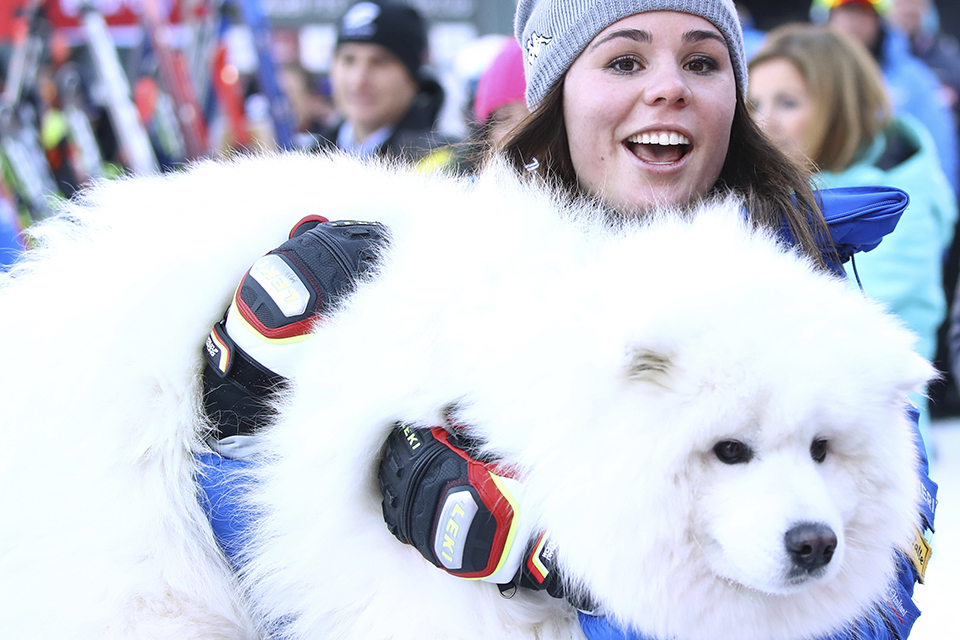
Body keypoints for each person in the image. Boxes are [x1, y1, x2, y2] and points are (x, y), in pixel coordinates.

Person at [196, 0, 937, 638]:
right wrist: (260, 428)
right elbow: (233, 570)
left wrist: (565, 553)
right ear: (557, 96)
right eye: (623, 62)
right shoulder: (441, 278)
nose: (669, 89)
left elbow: (876, 605)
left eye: (704, 63)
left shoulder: (816, 315)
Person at [748, 22, 956, 454]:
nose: (763, 121)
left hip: (875, 442)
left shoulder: (898, 197)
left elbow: (862, 316)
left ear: (840, 107)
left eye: (788, 102)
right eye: (753, 103)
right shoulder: (770, 188)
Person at [811, 0, 959, 195]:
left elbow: (939, 146)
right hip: (819, 196)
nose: (855, 21)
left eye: (864, 12)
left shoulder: (914, 78)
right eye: (846, 11)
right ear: (827, 18)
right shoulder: (805, 74)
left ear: (878, 20)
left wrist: (942, 202)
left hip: (897, 201)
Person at [311, 0, 455, 165]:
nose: (358, 80)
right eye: (348, 60)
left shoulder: (446, 162)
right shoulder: (306, 159)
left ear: (413, 76)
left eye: (379, 62)